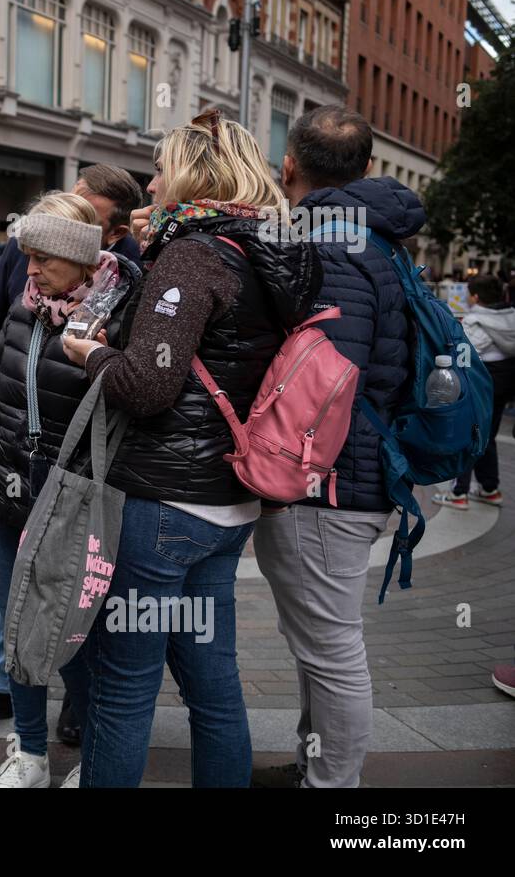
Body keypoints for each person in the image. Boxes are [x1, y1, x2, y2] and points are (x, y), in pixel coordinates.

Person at [61, 109, 322, 787]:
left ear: (193, 174)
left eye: (160, 168)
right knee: (212, 684)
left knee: (123, 689)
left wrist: (89, 353)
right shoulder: (265, 252)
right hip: (228, 504)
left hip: (163, 508)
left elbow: (148, 385)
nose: (151, 184)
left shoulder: (192, 254)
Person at [245, 104, 412, 789]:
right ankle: (316, 766)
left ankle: (332, 787)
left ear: (288, 167)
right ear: (367, 168)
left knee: (333, 646)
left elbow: (325, 379)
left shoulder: (326, 240)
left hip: (328, 481)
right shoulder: (377, 238)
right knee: (319, 641)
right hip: (354, 473)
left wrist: (290, 470)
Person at [0, 191, 140, 787]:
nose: (28, 270)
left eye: (43, 259)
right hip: (7, 486)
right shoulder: (26, 303)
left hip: (72, 499)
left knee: (74, 628)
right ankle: (31, 755)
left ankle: (94, 751)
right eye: (27, 255)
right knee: (18, 626)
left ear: (85, 261)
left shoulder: (119, 315)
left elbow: (132, 404)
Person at [433, 274, 515, 509]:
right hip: (505, 384)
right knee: (487, 435)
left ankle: (459, 492)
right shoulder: (511, 316)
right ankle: (490, 488)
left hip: (481, 384)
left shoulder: (475, 320)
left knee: (469, 434)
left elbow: (465, 351)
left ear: (476, 296)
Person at [73, 164, 146, 265]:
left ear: (116, 233)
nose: (65, 219)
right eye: (67, 203)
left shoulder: (131, 276)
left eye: (83, 218)